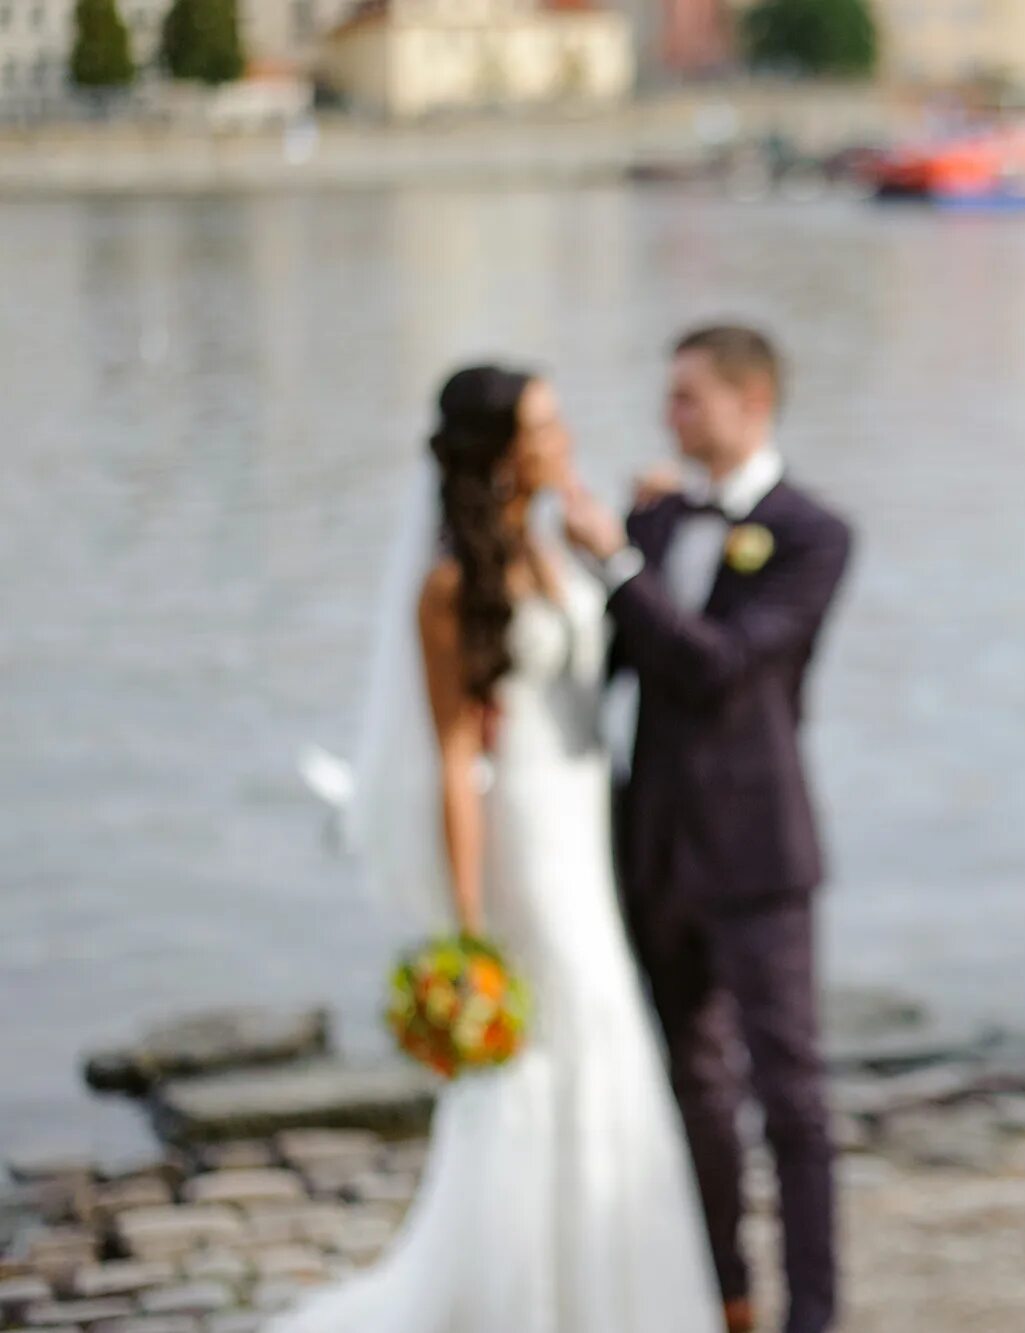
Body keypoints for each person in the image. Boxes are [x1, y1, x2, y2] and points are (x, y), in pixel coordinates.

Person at [273, 366, 720, 1333]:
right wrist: (468, 923)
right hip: (525, 835)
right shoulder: (449, 583)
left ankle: (609, 1282)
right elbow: (454, 760)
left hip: (584, 820)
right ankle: (530, 1296)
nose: (564, 436)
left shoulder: (555, 539)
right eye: (544, 425)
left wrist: (631, 533)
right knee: (560, 1032)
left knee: (605, 1028)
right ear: (501, 450)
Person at [563, 326, 854, 1333]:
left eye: (687, 398)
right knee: (689, 1081)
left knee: (793, 1099)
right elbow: (607, 661)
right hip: (650, 848)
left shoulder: (815, 532)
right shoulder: (657, 518)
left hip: (758, 851)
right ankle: (723, 1292)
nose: (668, 417)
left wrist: (611, 560)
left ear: (750, 401)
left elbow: (717, 666)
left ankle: (812, 1316)